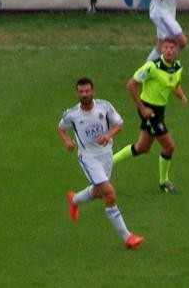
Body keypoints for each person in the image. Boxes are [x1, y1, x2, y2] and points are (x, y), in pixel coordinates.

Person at [59, 77, 144, 249]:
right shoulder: (72, 114)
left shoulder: (104, 107)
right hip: (88, 158)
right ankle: (128, 237)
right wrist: (67, 142)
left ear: (93, 91)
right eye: (81, 91)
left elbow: (119, 124)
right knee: (109, 194)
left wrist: (108, 135)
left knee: (99, 191)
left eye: (87, 91)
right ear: (77, 93)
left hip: (106, 155)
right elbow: (61, 128)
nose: (84, 94)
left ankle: (74, 199)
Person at [111, 37, 188, 193]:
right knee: (169, 146)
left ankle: (107, 162)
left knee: (142, 147)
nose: (169, 50)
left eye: (172, 48)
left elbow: (175, 84)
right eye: (166, 47)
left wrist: (181, 95)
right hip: (149, 111)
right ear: (161, 48)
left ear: (176, 50)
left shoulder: (178, 67)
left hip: (160, 110)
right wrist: (142, 108)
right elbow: (131, 85)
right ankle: (164, 181)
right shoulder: (151, 67)